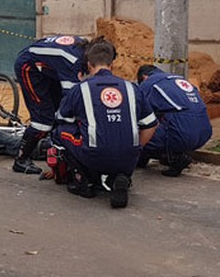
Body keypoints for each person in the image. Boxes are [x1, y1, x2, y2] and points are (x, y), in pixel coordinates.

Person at [52, 38, 158, 208]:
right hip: (129, 158)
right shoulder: (132, 88)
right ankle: (114, 178)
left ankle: (83, 181)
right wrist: (137, 148)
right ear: (112, 65)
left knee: (59, 132)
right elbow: (151, 124)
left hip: (94, 155)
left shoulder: (81, 89)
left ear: (88, 65)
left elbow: (62, 119)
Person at [12, 35, 89, 175]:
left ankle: (53, 149)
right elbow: (70, 101)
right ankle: (21, 159)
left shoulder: (82, 46)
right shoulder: (73, 62)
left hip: (47, 67)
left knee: (56, 110)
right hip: (29, 67)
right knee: (43, 120)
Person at [136, 64, 212, 177]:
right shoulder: (178, 79)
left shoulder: (149, 83)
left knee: (139, 133)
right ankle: (173, 153)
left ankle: (174, 158)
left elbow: (139, 112)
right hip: (204, 132)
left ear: (144, 77)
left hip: (183, 132)